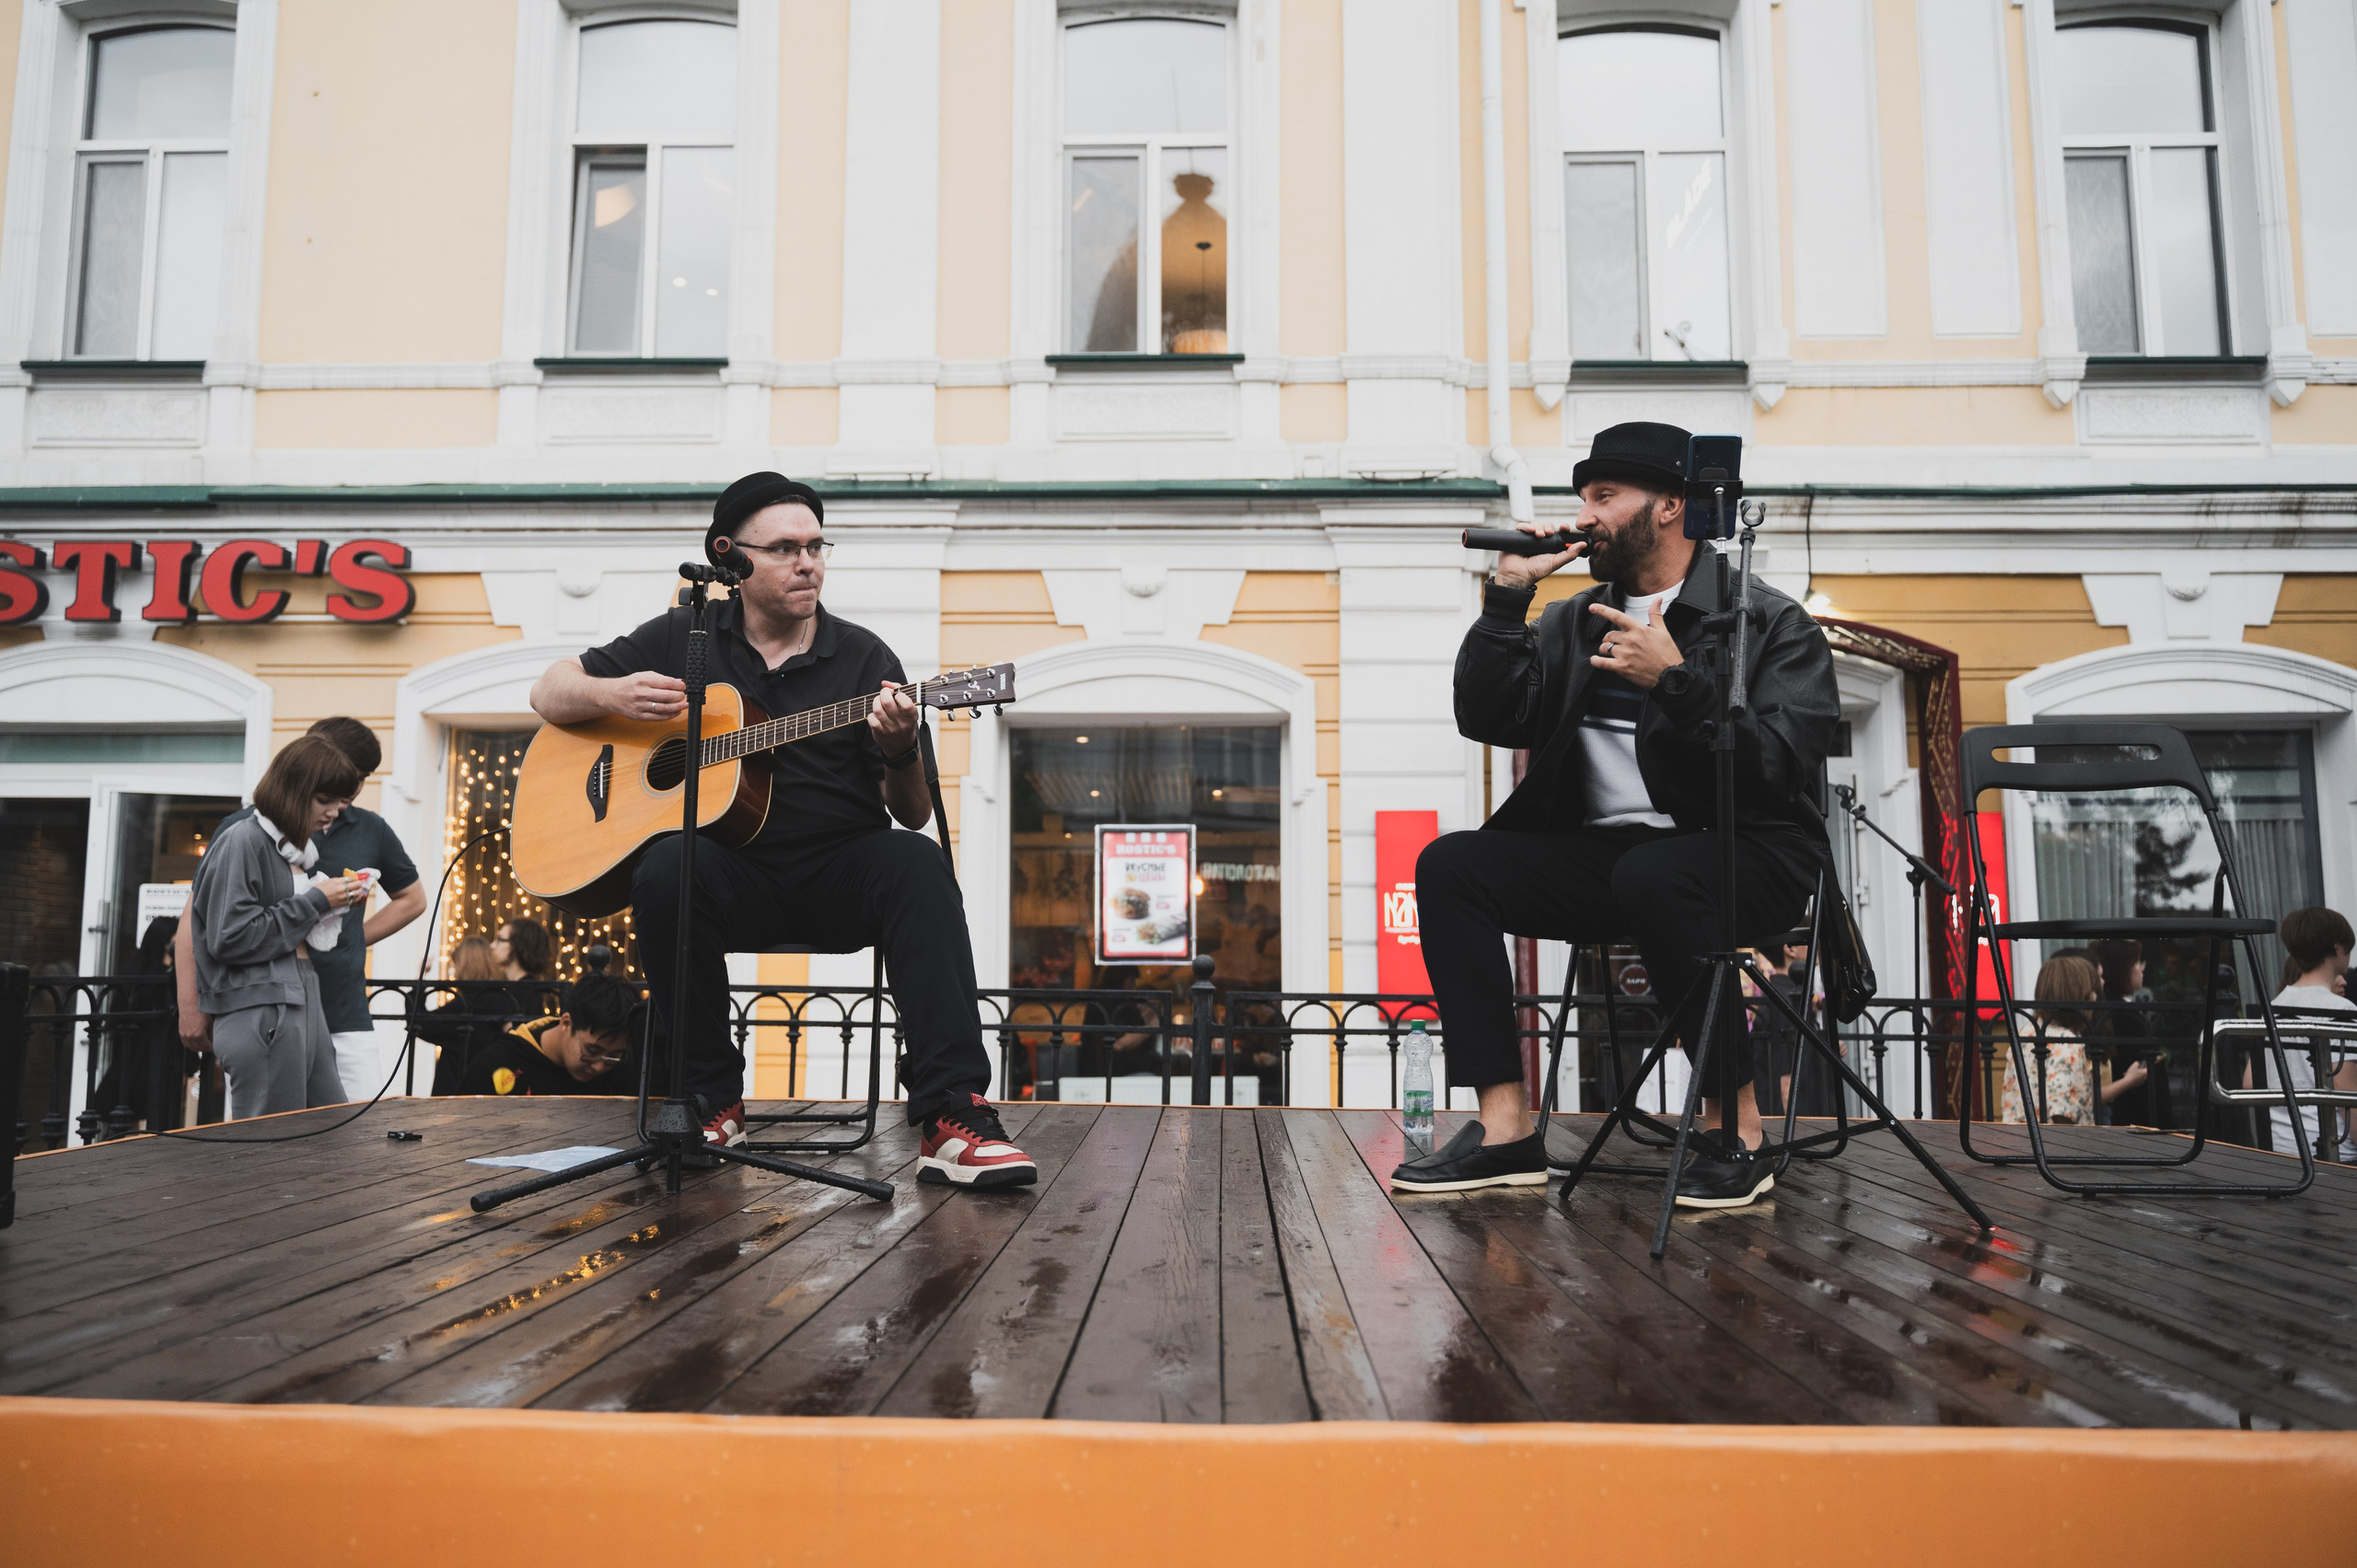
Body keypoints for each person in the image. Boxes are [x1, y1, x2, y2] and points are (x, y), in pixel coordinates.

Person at [528, 471, 1035, 1188]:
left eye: (818, 546)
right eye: (787, 548)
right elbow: (548, 690)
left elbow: (913, 810)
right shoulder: (684, 637)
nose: (809, 563)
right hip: (735, 875)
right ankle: (710, 1096)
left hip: (839, 870)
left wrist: (898, 747)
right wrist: (610, 693)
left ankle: (954, 1113)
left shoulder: (863, 658)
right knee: (668, 865)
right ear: (731, 558)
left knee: (917, 862)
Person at [1389, 422, 1840, 1209]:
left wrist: (1677, 684)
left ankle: (1738, 1132)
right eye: (1583, 498)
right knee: (1449, 866)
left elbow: (1778, 772)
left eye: (1605, 496)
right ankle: (1505, 1134)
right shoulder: (1573, 621)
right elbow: (1489, 715)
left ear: (1668, 505)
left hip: (1752, 852)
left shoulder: (1765, 622)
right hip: (1618, 862)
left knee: (1655, 873)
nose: (1587, 513)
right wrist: (1506, 599)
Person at [176, 717, 425, 1098]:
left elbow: (413, 899)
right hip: (262, 1007)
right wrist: (191, 1007)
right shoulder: (245, 832)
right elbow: (202, 925)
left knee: (352, 1138)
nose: (344, 799)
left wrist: (348, 935)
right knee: (273, 1139)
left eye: (356, 782)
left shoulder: (367, 829)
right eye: (330, 793)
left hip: (331, 1008)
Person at [187, 736, 369, 1118]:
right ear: (293, 791)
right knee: (275, 1150)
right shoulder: (243, 840)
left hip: (298, 997)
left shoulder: (289, 851)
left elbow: (278, 926)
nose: (334, 812)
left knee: (327, 1136)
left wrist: (334, 905)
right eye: (325, 800)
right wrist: (319, 901)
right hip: (262, 1007)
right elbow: (229, 937)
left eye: (339, 802)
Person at [1999, 953, 2148, 1124]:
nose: (2095, 997)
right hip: (2056, 1146)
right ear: (2078, 995)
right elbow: (2063, 1111)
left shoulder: (2025, 1033)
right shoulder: (2068, 1043)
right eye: (2091, 990)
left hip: (2019, 1141)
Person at [2256, 907, 2355, 1161]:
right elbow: (2348, 1102)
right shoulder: (2341, 1011)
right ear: (2336, 947)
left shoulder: (2274, 1007)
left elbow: (2251, 1082)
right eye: (2349, 949)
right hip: (2333, 1153)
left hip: (2280, 1146)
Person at [458, 971, 639, 1097]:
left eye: (613, 1056)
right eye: (591, 1052)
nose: (599, 1066)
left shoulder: (623, 1070)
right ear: (566, 1023)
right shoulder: (497, 1063)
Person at [2089, 937, 2170, 1128]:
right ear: (2119, 968)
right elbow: (2142, 1087)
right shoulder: (2122, 1017)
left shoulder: (2106, 1010)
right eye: (2135, 962)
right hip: (2133, 1126)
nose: (2141, 969)